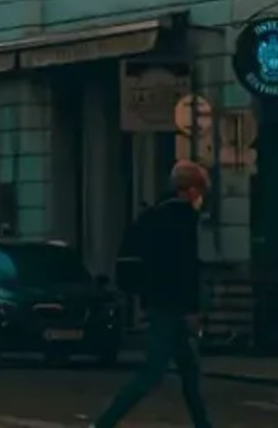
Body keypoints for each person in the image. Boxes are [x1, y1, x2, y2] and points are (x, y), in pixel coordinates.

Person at [93, 161, 212, 428]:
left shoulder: (155, 214)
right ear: (192, 190)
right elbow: (185, 268)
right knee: (152, 373)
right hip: (173, 308)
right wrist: (192, 309)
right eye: (201, 190)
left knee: (189, 373)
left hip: (159, 303)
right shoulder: (182, 219)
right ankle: (103, 423)